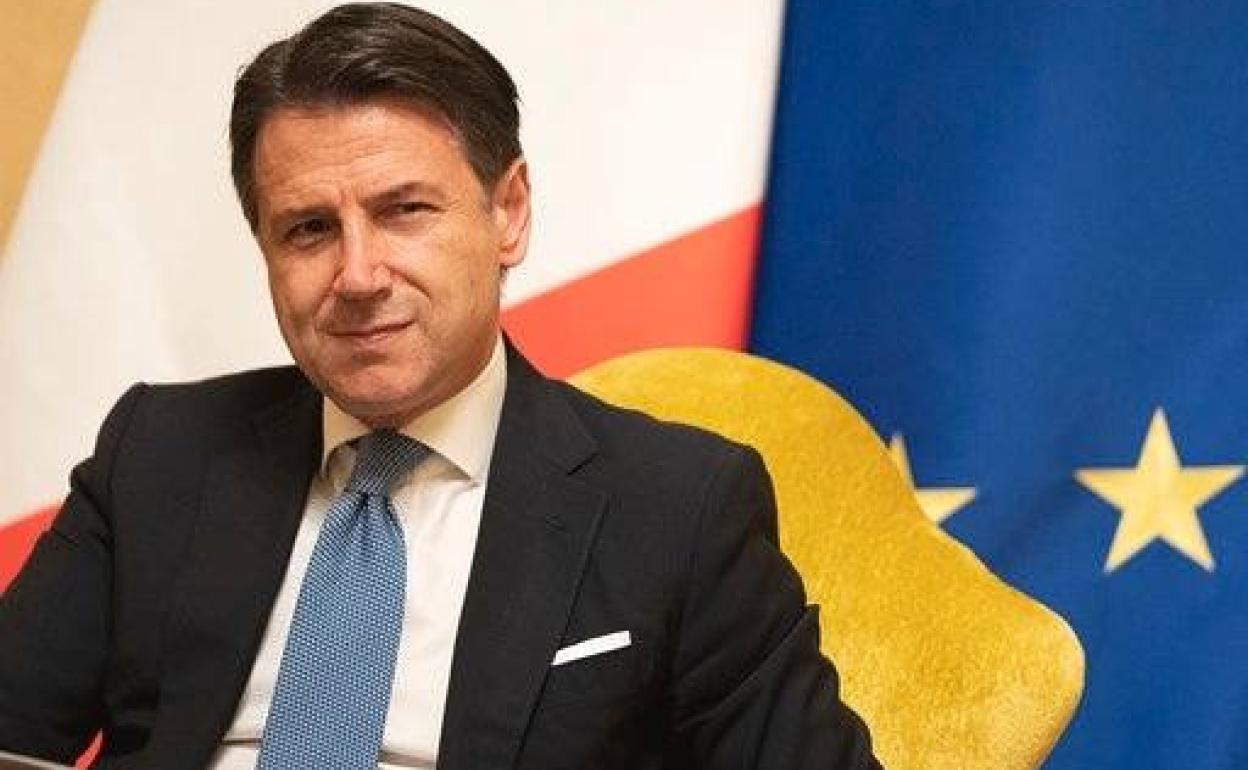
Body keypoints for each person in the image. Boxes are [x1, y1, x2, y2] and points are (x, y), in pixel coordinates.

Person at [0, 4, 881, 768]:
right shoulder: (159, 453)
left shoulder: (678, 508)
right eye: (309, 229)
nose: (357, 275)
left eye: (403, 211)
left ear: (509, 213)